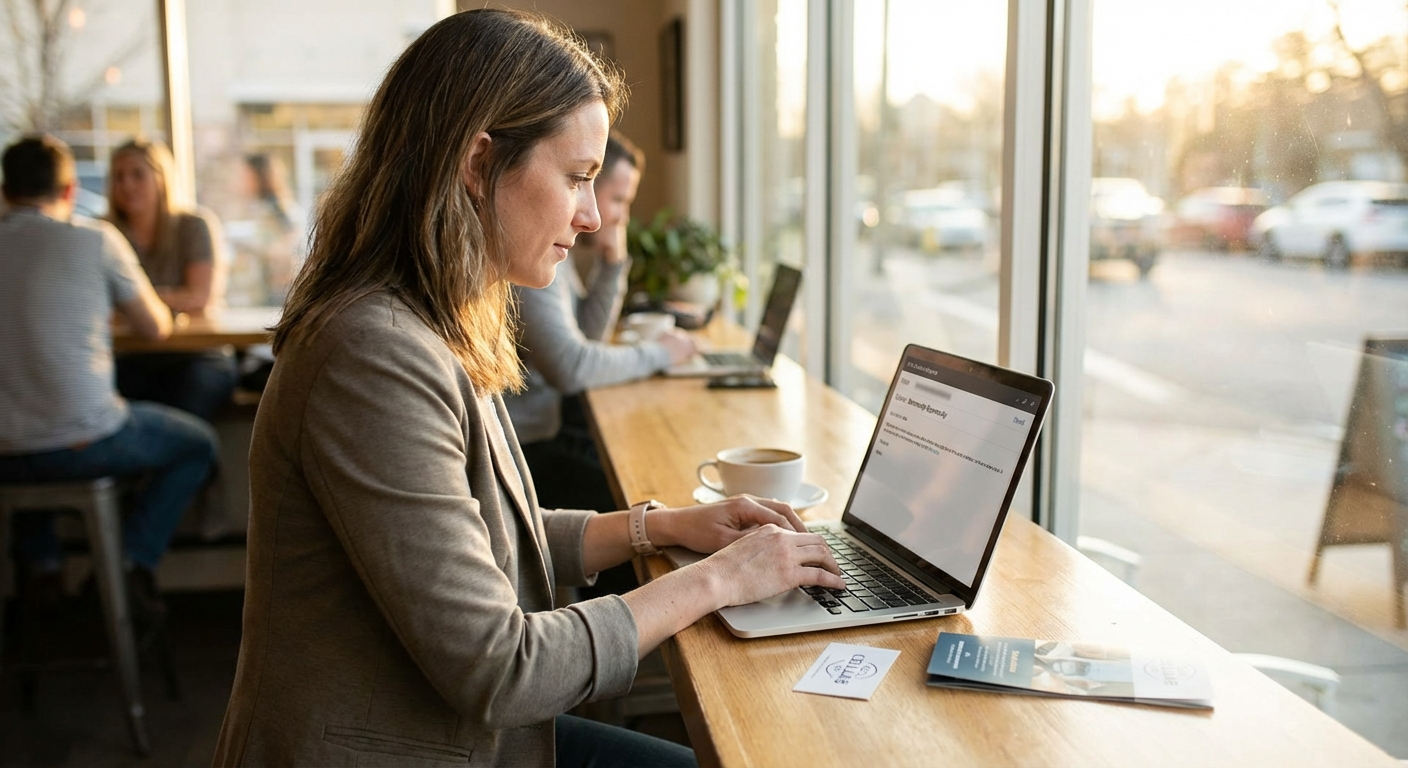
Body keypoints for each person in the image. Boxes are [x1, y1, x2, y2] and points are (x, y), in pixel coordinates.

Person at [211, 10, 844, 767]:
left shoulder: (425, 319)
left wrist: (663, 528)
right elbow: (502, 669)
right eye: (577, 177)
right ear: (479, 165)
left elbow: (485, 535)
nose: (593, 215)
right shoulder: (372, 355)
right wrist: (719, 580)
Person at [0, 134, 219, 615]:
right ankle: (126, 562)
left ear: (5, 191)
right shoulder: (96, 239)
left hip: (5, 453)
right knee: (196, 444)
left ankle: (43, 569)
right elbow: (156, 327)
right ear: (69, 190)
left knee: (26, 434)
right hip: (82, 444)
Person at [507, 132, 696, 513]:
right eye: (619, 200)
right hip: (526, 448)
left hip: (544, 429)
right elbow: (571, 367)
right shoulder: (529, 257)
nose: (619, 217)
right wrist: (660, 353)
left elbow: (587, 336)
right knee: (654, 491)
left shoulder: (554, 257)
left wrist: (612, 264)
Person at [106, 138, 237, 421]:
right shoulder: (105, 232)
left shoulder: (193, 225)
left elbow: (200, 298)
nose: (127, 185)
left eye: (137, 174)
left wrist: (130, 302)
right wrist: (169, 298)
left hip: (196, 355)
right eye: (118, 177)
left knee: (187, 406)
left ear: (161, 178)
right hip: (130, 355)